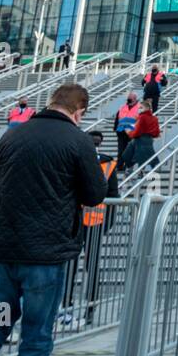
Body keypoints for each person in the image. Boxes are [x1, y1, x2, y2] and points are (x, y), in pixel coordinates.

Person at [0, 83, 106, 356]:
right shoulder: (78, 141)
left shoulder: (12, 136)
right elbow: (94, 195)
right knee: (36, 334)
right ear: (79, 111)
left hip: (4, 253)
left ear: (50, 102)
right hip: (45, 255)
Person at [62, 131, 119, 323]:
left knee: (80, 265)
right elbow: (114, 197)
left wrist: (106, 225)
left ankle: (77, 307)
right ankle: (76, 307)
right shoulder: (101, 163)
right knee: (81, 265)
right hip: (85, 222)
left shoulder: (102, 163)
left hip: (86, 222)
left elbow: (113, 197)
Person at [121, 98, 161, 176]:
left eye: (140, 108)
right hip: (148, 139)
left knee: (133, 155)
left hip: (140, 138)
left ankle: (133, 170)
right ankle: (139, 171)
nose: (139, 109)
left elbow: (137, 130)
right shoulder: (154, 118)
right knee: (142, 156)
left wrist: (130, 133)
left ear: (147, 108)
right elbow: (156, 132)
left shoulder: (142, 117)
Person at [112, 91, 141, 160]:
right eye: (128, 97)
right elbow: (117, 117)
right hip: (121, 131)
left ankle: (128, 166)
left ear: (135, 98)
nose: (128, 99)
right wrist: (115, 128)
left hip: (132, 131)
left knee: (131, 150)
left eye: (130, 97)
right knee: (121, 150)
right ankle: (120, 166)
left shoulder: (139, 107)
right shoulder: (123, 107)